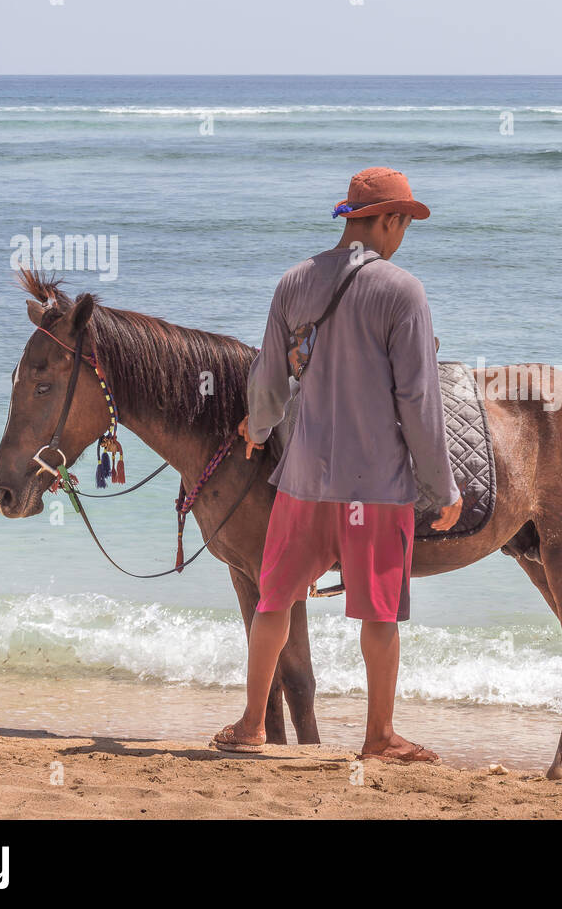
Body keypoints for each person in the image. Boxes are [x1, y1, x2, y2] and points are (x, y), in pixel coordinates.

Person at [214, 167, 461, 762]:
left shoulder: (293, 282)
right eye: (403, 223)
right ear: (388, 220)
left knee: (274, 601)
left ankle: (252, 722)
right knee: (378, 612)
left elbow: (269, 378)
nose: (403, 236)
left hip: (302, 481)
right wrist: (441, 484)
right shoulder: (402, 291)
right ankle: (378, 737)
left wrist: (261, 427)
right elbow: (418, 398)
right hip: (373, 488)